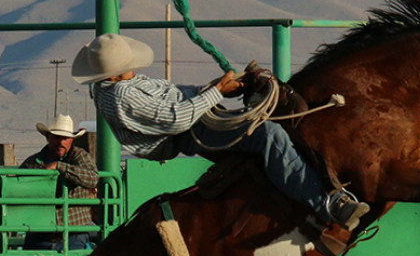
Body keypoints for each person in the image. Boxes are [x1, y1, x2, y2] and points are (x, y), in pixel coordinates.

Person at [71, 33, 367, 232]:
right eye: (126, 67)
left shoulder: (116, 87)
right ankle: (327, 205)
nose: (132, 69)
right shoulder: (120, 94)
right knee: (268, 135)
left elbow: (174, 94)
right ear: (112, 74)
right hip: (187, 132)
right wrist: (215, 92)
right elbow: (176, 118)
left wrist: (216, 89)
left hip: (192, 123)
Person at [19, 114, 98, 251]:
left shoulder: (79, 156)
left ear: (71, 140)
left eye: (66, 138)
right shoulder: (32, 162)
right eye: (57, 137)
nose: (61, 142)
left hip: (73, 233)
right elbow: (17, 187)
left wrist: (59, 166)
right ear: (48, 137)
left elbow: (92, 178)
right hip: (39, 234)